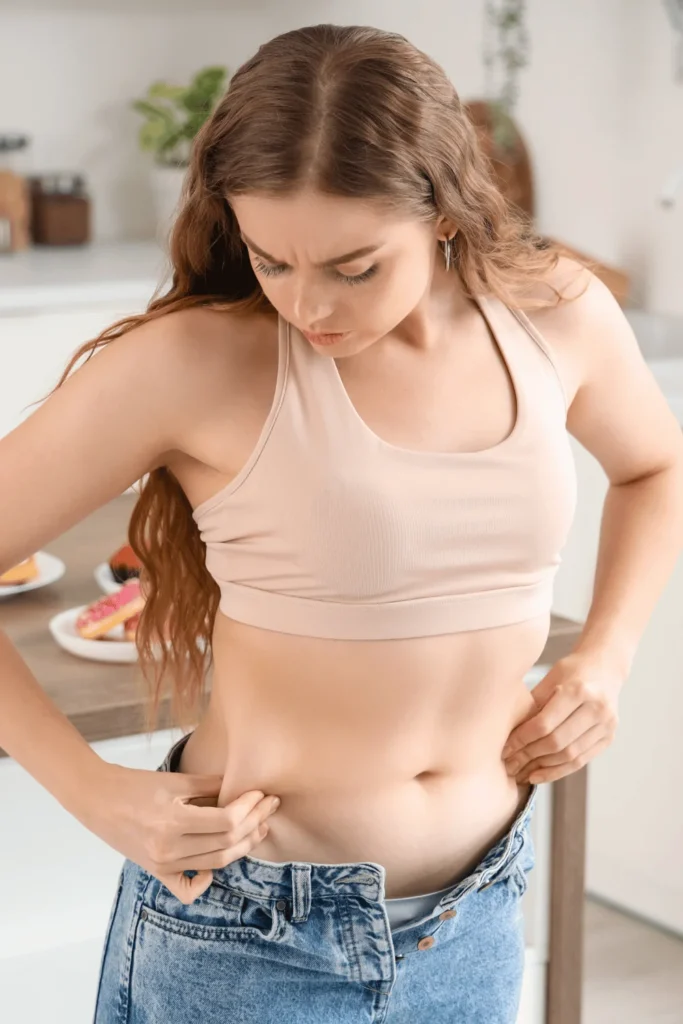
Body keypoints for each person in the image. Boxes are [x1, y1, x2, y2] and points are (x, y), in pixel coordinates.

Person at [2, 23, 683, 1024]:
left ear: (442, 210)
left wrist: (606, 658)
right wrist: (90, 790)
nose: (307, 306)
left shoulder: (556, 313)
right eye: (272, 260)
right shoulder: (199, 360)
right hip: (252, 935)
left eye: (353, 266)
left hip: (477, 910)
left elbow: (654, 465)